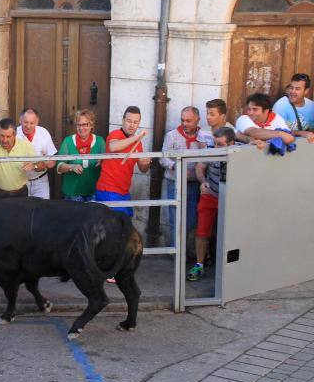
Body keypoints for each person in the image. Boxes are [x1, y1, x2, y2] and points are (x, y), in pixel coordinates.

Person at [189, 127, 235, 282]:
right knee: (201, 232)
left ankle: (230, 269)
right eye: (215, 143)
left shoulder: (239, 153)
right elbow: (200, 167)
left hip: (230, 199)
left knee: (231, 233)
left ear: (231, 144)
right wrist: (203, 182)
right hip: (210, 195)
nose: (216, 147)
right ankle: (199, 265)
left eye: (220, 144)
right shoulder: (211, 150)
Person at [159, 107, 208, 247]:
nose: (185, 123)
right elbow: (163, 158)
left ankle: (180, 249)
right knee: (175, 219)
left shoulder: (202, 136)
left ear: (198, 120)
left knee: (191, 219)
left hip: (193, 183)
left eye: (189, 121)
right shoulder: (172, 135)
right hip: (174, 182)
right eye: (183, 120)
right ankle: (176, 253)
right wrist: (175, 166)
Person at [95, 106, 151, 217]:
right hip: (108, 189)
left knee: (125, 222)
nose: (132, 125)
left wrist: (146, 163)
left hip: (124, 191)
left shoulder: (138, 143)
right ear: (123, 121)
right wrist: (137, 137)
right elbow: (113, 147)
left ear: (139, 124)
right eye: (129, 121)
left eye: (135, 122)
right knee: (118, 223)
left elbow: (143, 169)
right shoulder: (116, 134)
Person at [56, 109, 105, 202]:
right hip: (73, 192)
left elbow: (107, 163)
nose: (81, 128)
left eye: (85, 124)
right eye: (79, 125)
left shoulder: (99, 141)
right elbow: (59, 167)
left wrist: (102, 162)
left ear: (91, 125)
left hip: (94, 191)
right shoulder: (68, 141)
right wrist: (71, 167)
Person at [16, 108, 57, 198]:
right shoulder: (14, 134)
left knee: (42, 206)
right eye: (25, 122)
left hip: (40, 181)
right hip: (19, 182)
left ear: (37, 122)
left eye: (32, 123)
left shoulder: (43, 133)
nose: (28, 126)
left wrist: (36, 166)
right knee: (21, 207)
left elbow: (52, 161)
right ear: (20, 120)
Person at [273, 73, 314, 143]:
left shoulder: (311, 106)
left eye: (297, 89)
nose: (292, 91)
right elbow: (276, 132)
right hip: (285, 146)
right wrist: (300, 133)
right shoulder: (281, 105)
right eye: (291, 88)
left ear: (306, 91)